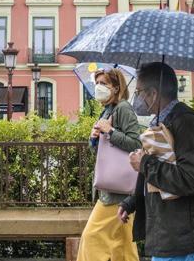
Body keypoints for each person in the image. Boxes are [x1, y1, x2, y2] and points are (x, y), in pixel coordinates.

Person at [118, 62, 194, 261]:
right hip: (169, 231)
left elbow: (191, 179)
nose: (136, 97)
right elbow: (160, 173)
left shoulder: (186, 124)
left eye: (139, 91)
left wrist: (144, 163)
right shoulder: (163, 122)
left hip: (182, 236)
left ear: (153, 94)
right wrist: (132, 202)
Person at [77, 68, 142, 261]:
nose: (99, 88)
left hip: (116, 192)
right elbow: (103, 152)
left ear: (116, 87)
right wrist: (94, 139)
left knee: (92, 238)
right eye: (97, 83)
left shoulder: (123, 108)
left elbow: (137, 144)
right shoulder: (107, 110)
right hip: (117, 189)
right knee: (122, 246)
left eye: (104, 84)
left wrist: (111, 131)